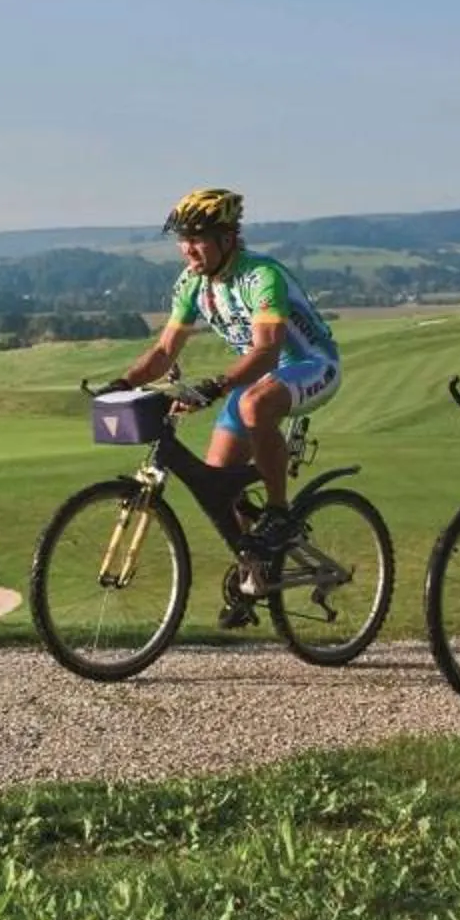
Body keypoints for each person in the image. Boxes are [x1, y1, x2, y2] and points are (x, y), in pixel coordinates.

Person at [104, 188, 341, 606]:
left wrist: (215, 385)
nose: (186, 250)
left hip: (312, 367)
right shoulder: (193, 284)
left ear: (227, 239)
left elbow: (267, 350)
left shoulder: (260, 276)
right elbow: (163, 352)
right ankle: (255, 576)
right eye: (182, 239)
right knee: (217, 483)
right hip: (255, 380)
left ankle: (280, 513)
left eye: (196, 239)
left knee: (253, 404)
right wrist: (122, 384)